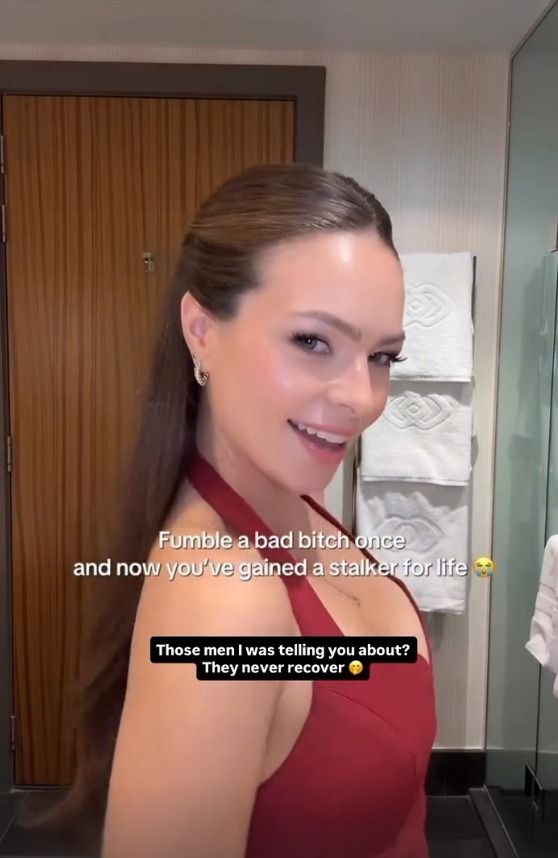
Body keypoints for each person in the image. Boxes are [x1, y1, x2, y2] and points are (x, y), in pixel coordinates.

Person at [30, 163, 437, 857]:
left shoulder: (295, 506)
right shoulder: (221, 597)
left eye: (382, 357)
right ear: (201, 331)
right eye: (312, 342)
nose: (361, 398)